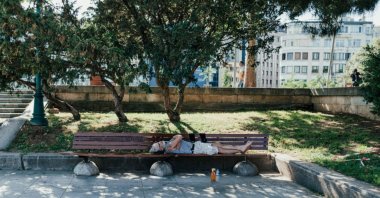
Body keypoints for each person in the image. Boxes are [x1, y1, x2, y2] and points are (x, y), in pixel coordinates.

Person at [149, 134, 253, 155]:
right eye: (158, 144)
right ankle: (240, 149)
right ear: (160, 148)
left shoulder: (170, 143)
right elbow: (179, 137)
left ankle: (240, 148)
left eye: (158, 142)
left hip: (197, 145)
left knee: (218, 145)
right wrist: (177, 140)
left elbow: (179, 136)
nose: (160, 142)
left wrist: (177, 141)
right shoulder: (169, 148)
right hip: (197, 150)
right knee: (219, 149)